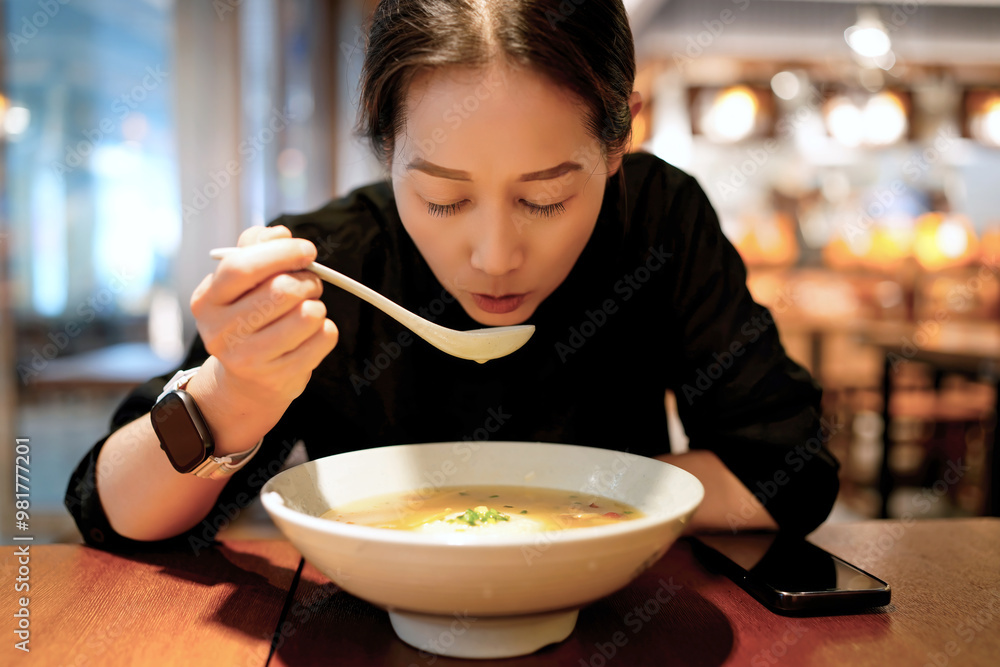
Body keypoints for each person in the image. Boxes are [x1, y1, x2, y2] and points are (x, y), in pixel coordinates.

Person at [66, 0, 839, 551]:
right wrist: (232, 391)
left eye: (546, 197)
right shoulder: (334, 263)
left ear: (616, 142)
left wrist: (572, 510)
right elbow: (111, 514)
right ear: (385, 148)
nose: (495, 255)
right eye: (444, 197)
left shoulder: (658, 218)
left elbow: (789, 467)